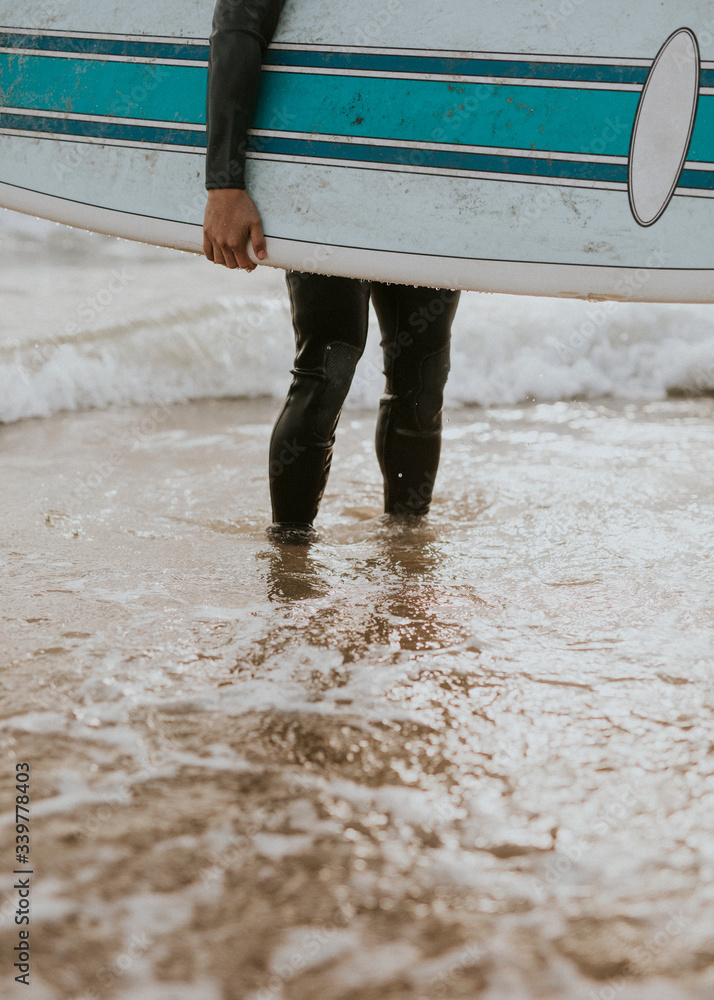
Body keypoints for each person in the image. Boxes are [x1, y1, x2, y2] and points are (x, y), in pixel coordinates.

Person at [203, 0, 461, 537]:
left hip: (430, 179)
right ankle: (290, 552)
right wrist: (224, 183)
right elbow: (238, 24)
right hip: (326, 172)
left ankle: (406, 548)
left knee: (423, 373)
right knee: (329, 364)